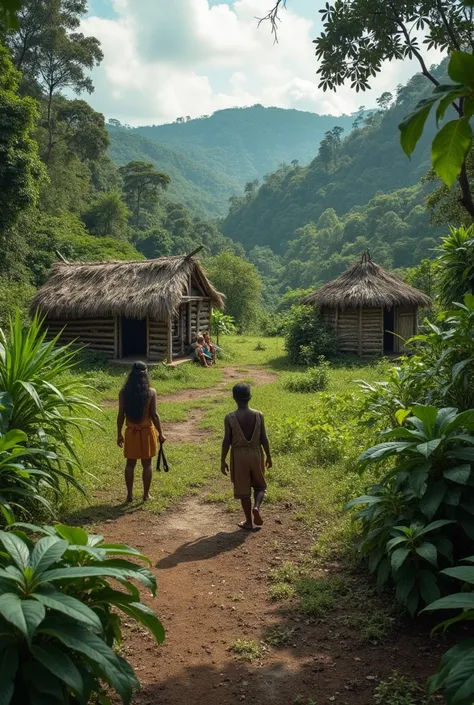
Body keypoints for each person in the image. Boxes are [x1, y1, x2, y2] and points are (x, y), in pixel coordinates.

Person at [221, 383, 272, 530]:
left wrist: (222, 460)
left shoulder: (229, 418)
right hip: (256, 453)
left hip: (239, 455)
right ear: (250, 397)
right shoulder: (258, 415)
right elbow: (264, 438)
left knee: (243, 491)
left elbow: (226, 441)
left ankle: (249, 521)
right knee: (260, 486)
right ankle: (256, 507)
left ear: (233, 398)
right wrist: (268, 456)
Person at [117, 361, 166, 503]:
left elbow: (121, 415)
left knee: (130, 464)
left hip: (131, 431)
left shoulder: (124, 392)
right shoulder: (151, 392)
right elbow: (154, 415)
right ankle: (146, 495)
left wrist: (119, 433)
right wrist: (161, 433)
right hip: (146, 431)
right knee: (147, 464)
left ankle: (129, 495)